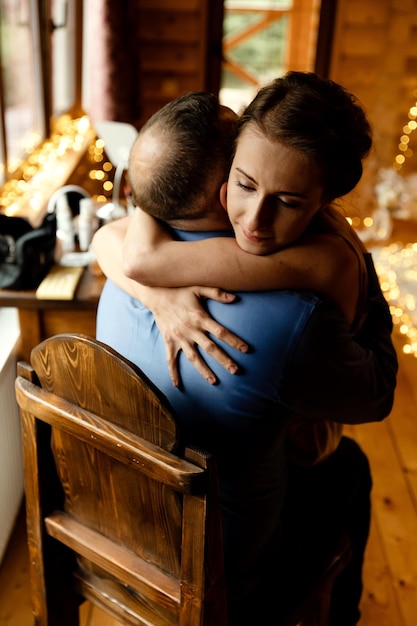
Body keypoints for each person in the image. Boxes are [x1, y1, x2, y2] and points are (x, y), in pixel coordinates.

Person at [93, 84, 397, 626]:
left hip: (117, 524)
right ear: (220, 178)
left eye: (288, 200)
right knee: (348, 467)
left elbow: (122, 246)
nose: (254, 223)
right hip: (220, 570)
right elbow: (376, 397)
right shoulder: (299, 314)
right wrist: (362, 279)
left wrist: (148, 282)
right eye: (245, 185)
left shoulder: (128, 258)